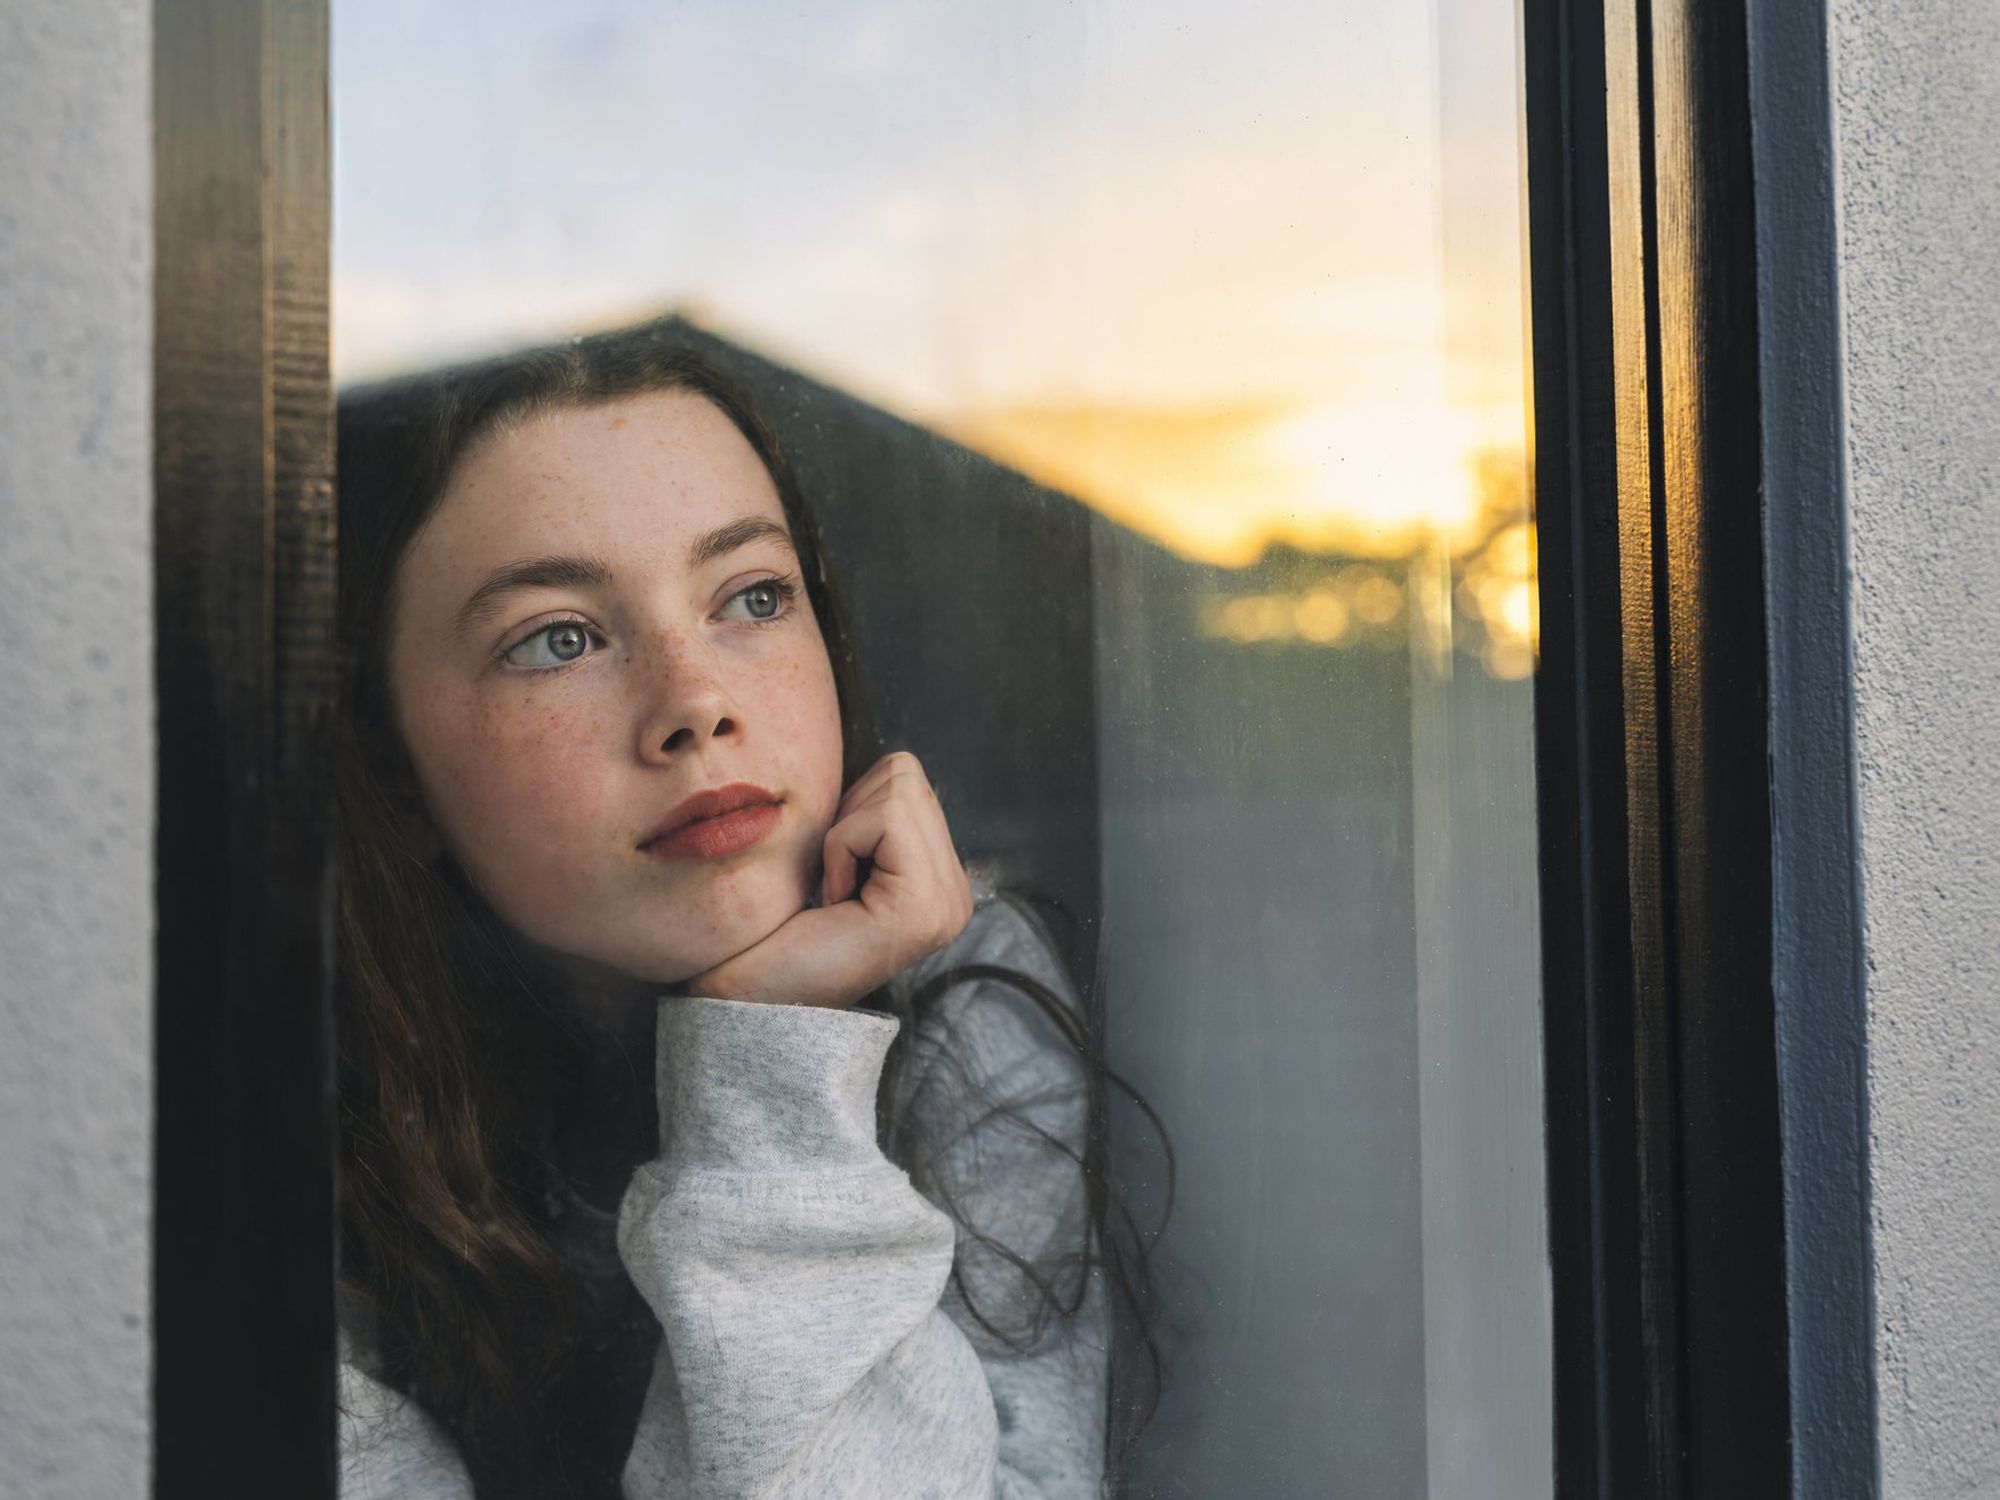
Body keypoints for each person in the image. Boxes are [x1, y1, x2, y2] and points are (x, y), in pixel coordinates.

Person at [332, 326, 1168, 1498]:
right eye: (557, 640)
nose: (696, 701)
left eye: (753, 596)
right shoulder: (304, 1105)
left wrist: (772, 1061)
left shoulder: (959, 991)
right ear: (389, 769)